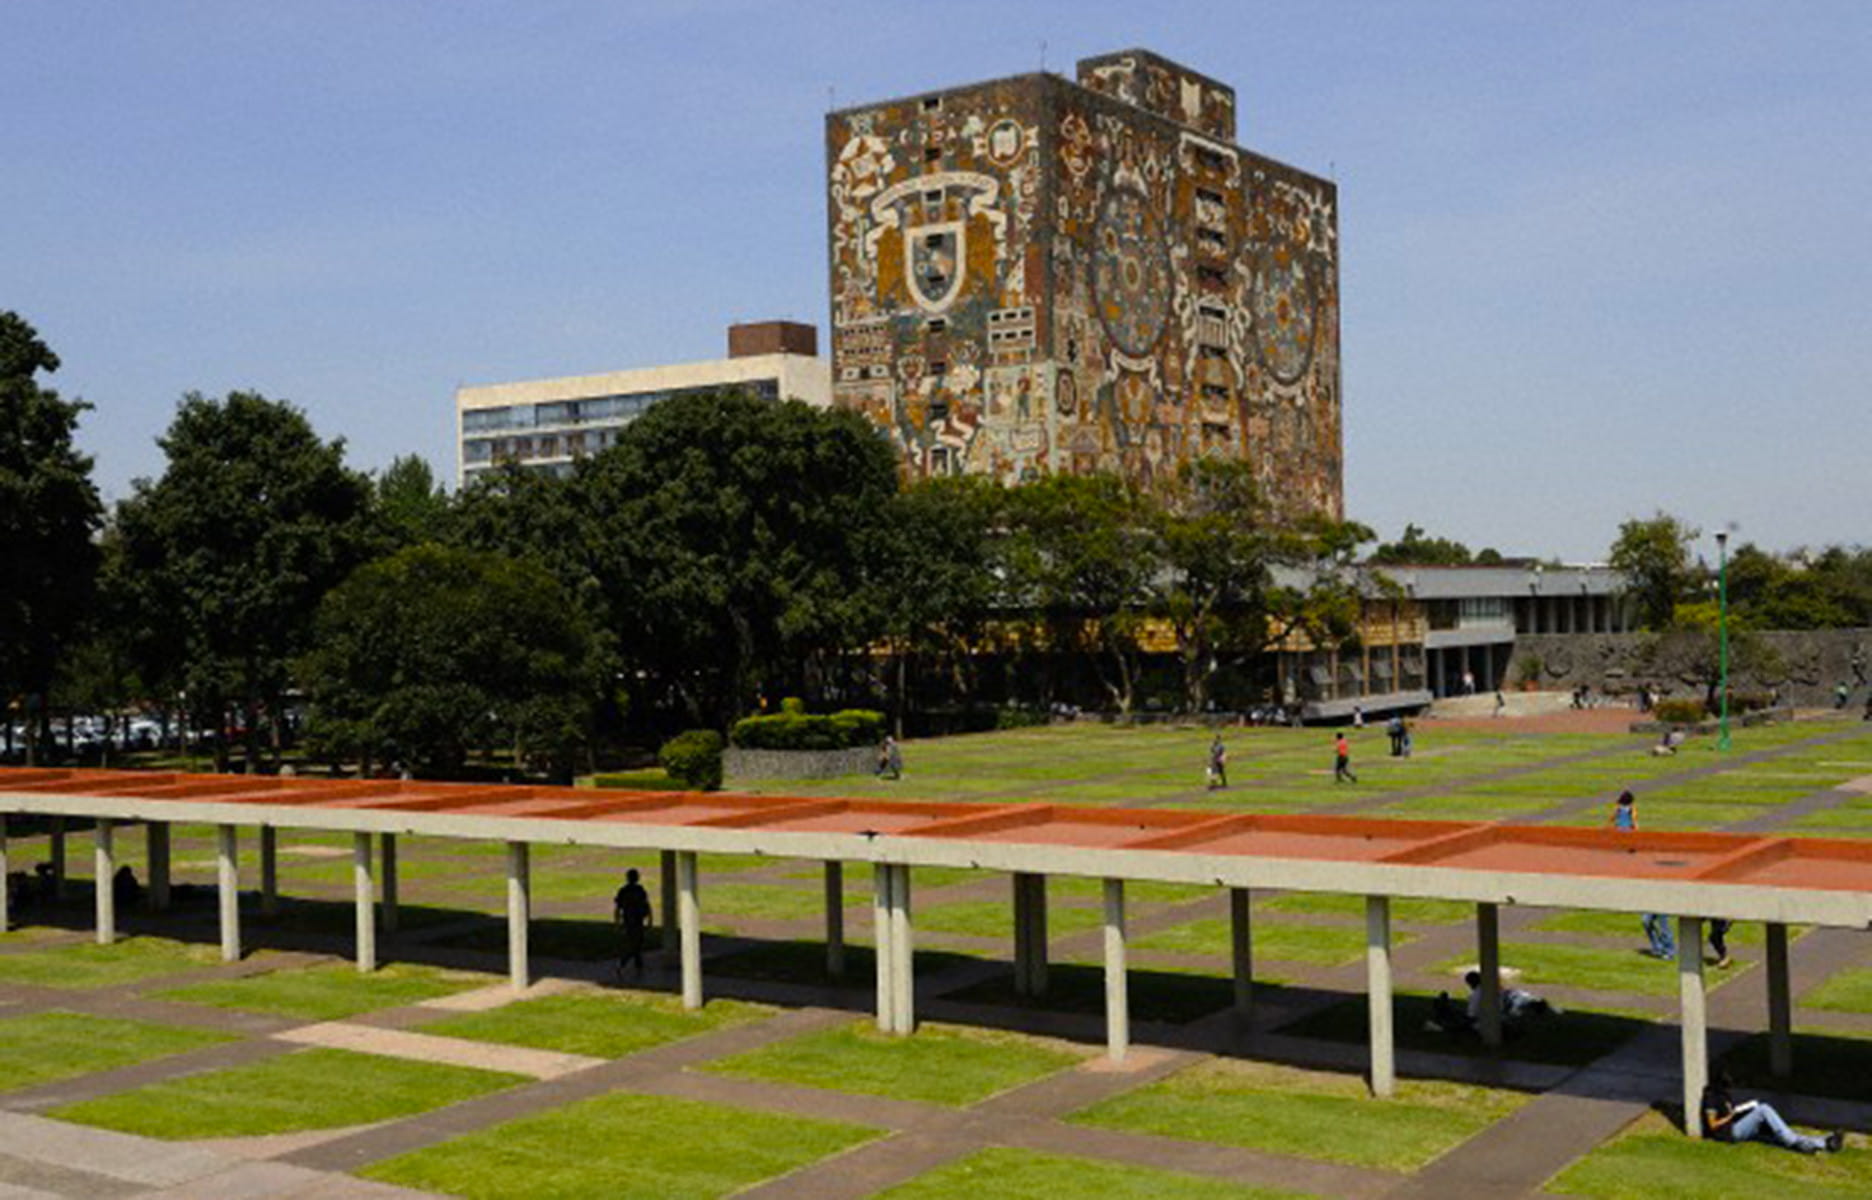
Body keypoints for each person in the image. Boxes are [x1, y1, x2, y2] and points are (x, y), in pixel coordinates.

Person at [1701, 1070, 1842, 1153]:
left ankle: (1824, 1143)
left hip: (1735, 1124)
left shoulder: (1724, 1095)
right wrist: (1732, 1115)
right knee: (1764, 1110)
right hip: (1729, 1133)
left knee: (1775, 1131)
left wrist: (1743, 1110)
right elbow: (1713, 1125)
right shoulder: (1711, 1098)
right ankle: (1795, 1140)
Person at [1465, 969, 1558, 1024]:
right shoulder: (1489, 985)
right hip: (1511, 997)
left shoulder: (1476, 994)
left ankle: (1537, 1005)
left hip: (1509, 1000)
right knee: (1523, 999)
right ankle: (1538, 1005)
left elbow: (1471, 1015)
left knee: (1519, 1005)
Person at [612, 868, 652, 978]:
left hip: (633, 920)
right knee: (634, 945)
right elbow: (646, 906)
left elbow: (618, 908)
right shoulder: (636, 890)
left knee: (637, 944)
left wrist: (617, 923)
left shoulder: (628, 890)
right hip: (632, 921)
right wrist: (649, 920)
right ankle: (625, 964)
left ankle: (636, 966)